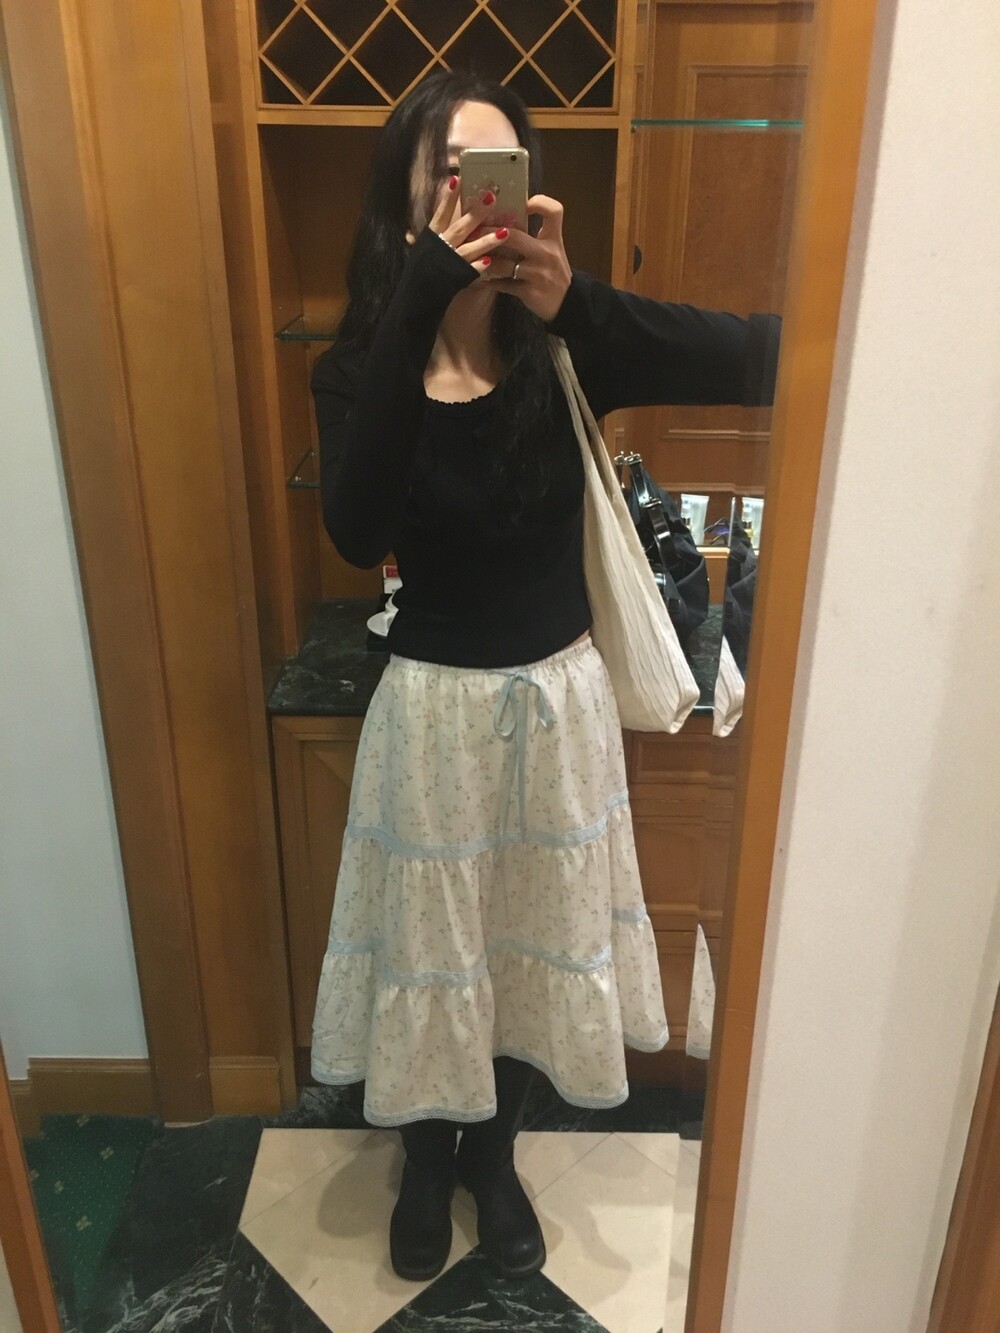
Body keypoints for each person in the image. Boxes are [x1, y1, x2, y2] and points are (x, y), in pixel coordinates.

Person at [309, 69, 780, 1284]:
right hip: (432, 716)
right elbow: (357, 530)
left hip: (558, 705)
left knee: (526, 945)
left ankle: (492, 1155)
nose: (476, 205)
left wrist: (578, 301)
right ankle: (425, 1159)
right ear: (406, 206)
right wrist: (419, 304)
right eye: (447, 180)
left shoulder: (565, 344)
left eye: (496, 178)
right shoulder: (360, 367)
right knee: (437, 946)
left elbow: (755, 355)